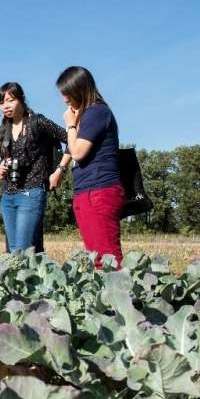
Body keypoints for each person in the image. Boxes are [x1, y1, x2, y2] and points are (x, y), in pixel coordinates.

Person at [55, 66, 124, 268]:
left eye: (68, 96)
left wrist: (70, 125)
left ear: (81, 90)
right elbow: (72, 148)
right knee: (97, 259)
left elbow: (77, 152)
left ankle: (124, 297)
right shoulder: (88, 116)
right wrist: (59, 170)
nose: (65, 101)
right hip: (87, 191)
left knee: (108, 259)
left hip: (99, 190)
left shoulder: (97, 112)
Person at [0, 82, 71, 253]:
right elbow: (4, 159)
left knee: (22, 251)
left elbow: (72, 139)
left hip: (32, 192)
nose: (5, 106)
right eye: (1, 102)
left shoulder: (38, 122)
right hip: (8, 195)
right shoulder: (3, 129)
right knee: (13, 254)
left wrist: (60, 170)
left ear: (21, 99)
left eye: (10, 100)